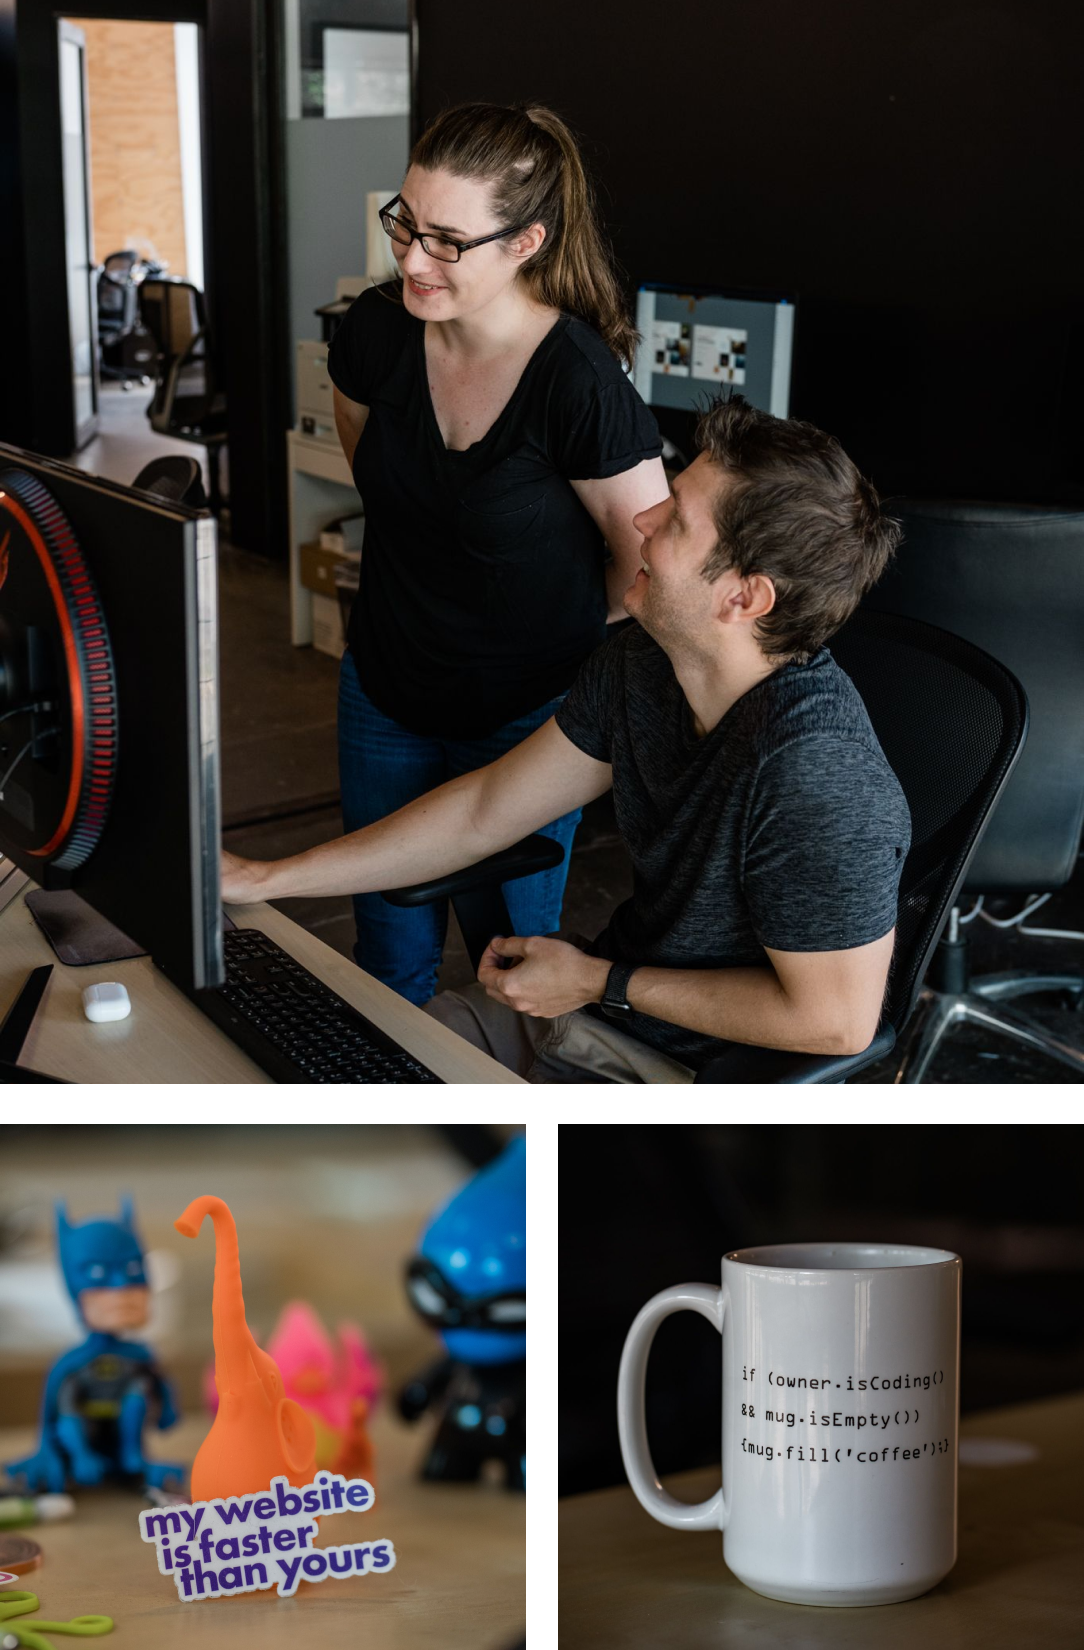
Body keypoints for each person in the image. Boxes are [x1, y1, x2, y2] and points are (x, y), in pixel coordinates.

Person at [222, 396, 912, 1084]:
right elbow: (485, 809)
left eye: (674, 519)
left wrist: (599, 982)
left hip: (686, 1064)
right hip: (593, 1017)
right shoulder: (644, 660)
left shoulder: (818, 774)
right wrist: (267, 879)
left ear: (744, 598)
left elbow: (836, 1022)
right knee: (331, 1068)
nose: (642, 518)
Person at [326, 101, 666, 1005]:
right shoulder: (375, 330)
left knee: (508, 969)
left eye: (446, 241)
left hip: (524, 715)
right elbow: (371, 462)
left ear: (526, 243)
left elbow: (649, 569)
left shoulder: (578, 383)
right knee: (388, 959)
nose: (410, 258)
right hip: (385, 688)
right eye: (404, 223)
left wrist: (541, 611)